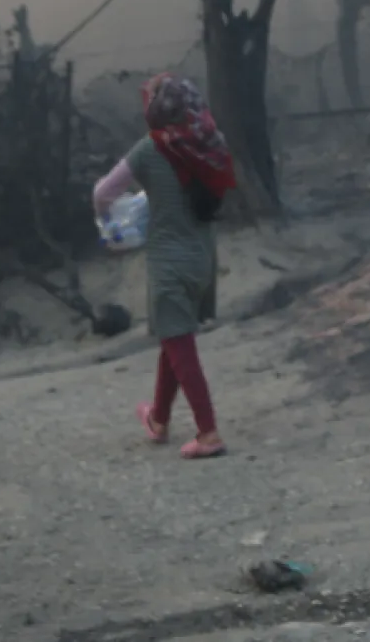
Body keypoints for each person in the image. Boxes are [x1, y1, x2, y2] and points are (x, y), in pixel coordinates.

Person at [93, 72, 233, 460]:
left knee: (179, 343)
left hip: (169, 260)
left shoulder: (149, 149)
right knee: (174, 336)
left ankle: (208, 433)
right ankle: (158, 419)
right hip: (204, 257)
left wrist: (107, 223)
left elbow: (103, 193)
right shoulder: (209, 143)